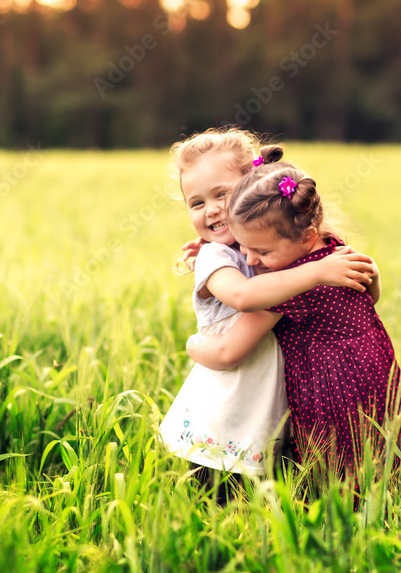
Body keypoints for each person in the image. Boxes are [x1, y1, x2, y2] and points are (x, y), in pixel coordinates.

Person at [159, 127, 380, 504]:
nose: (211, 209)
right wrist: (192, 345)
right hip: (232, 396)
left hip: (280, 390)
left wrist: (350, 270)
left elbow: (367, 292)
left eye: (221, 194)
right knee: (220, 491)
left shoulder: (284, 247)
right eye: (196, 204)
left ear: (256, 188)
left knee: (273, 491)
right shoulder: (214, 256)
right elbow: (243, 296)